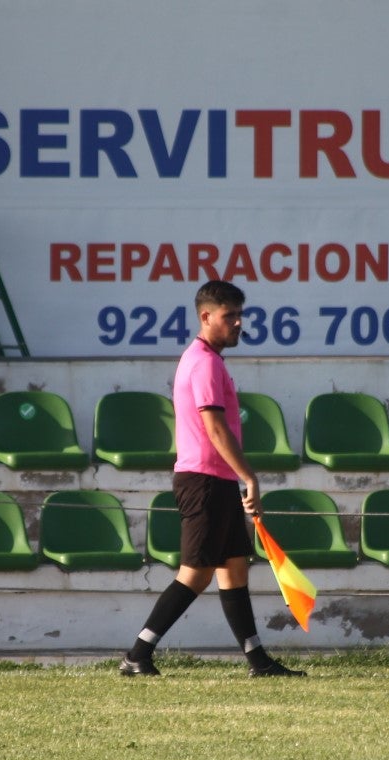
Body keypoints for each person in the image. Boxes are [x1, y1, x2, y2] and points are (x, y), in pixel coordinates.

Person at [120, 280, 305, 678]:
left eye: (240, 315)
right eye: (229, 316)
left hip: (215, 480)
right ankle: (137, 654)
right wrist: (249, 478)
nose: (238, 323)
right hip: (203, 481)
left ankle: (259, 662)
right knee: (195, 573)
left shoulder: (209, 360)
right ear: (206, 317)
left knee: (234, 569)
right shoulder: (204, 362)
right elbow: (215, 427)